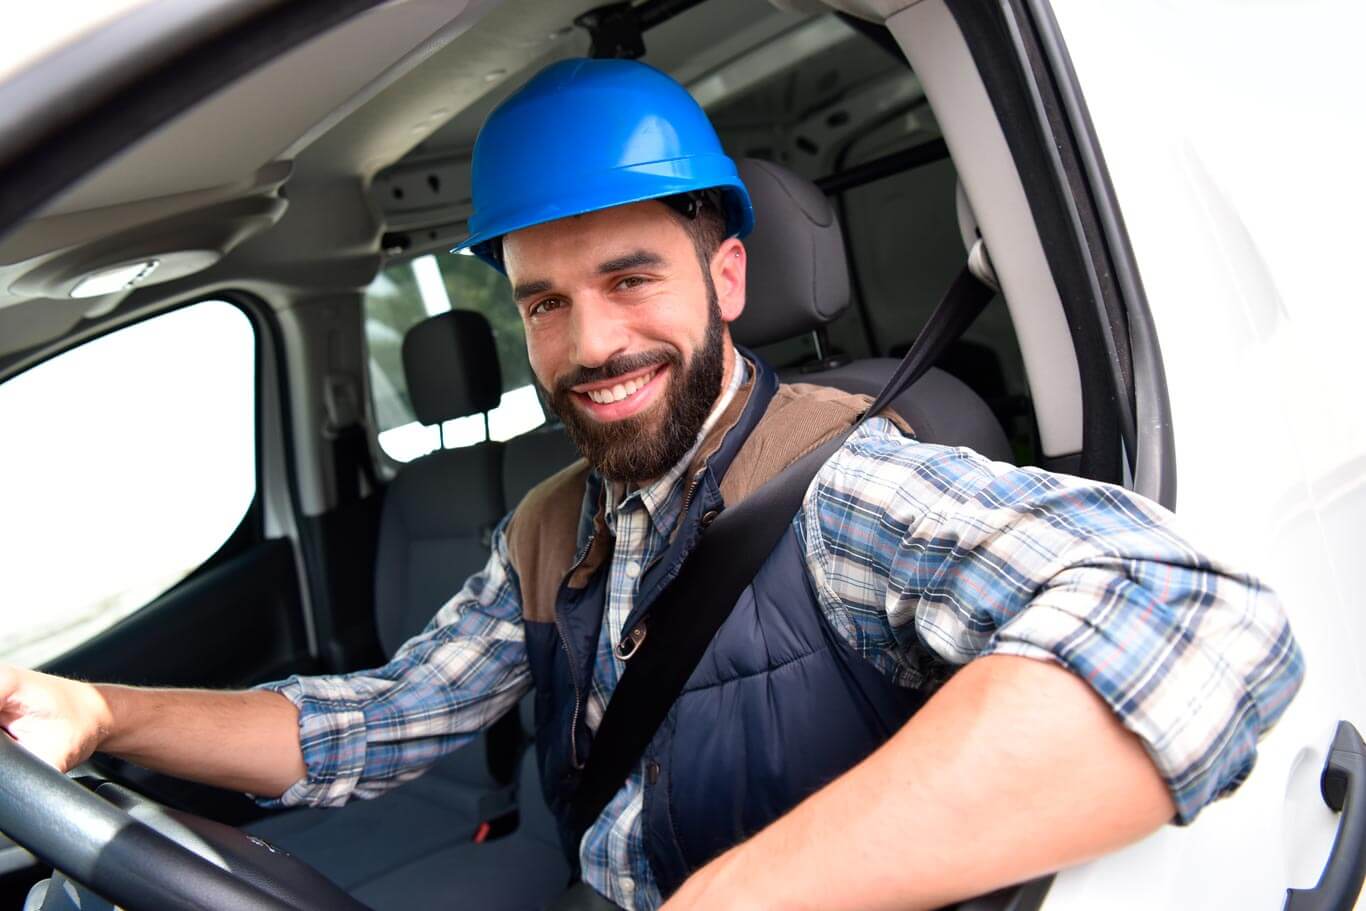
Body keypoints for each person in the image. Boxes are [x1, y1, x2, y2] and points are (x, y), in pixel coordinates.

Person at [0, 58, 1303, 911]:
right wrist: (99, 710)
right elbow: (373, 721)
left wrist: (729, 903)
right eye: (545, 304)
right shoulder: (552, 523)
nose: (590, 344)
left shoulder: (842, 486)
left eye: (630, 279)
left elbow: (1197, 622)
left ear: (724, 281)